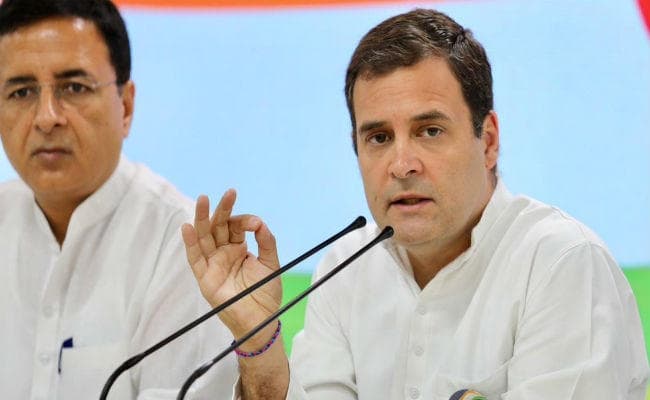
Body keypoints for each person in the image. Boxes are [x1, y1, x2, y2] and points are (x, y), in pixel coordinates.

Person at [182, 8, 649, 400]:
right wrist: (261, 342)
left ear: (488, 141)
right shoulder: (345, 269)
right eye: (379, 137)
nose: (402, 165)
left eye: (430, 131)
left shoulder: (562, 265)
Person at [0, 0, 238, 398]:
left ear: (125, 107)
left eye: (74, 88)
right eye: (21, 92)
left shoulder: (181, 246)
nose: (46, 117)